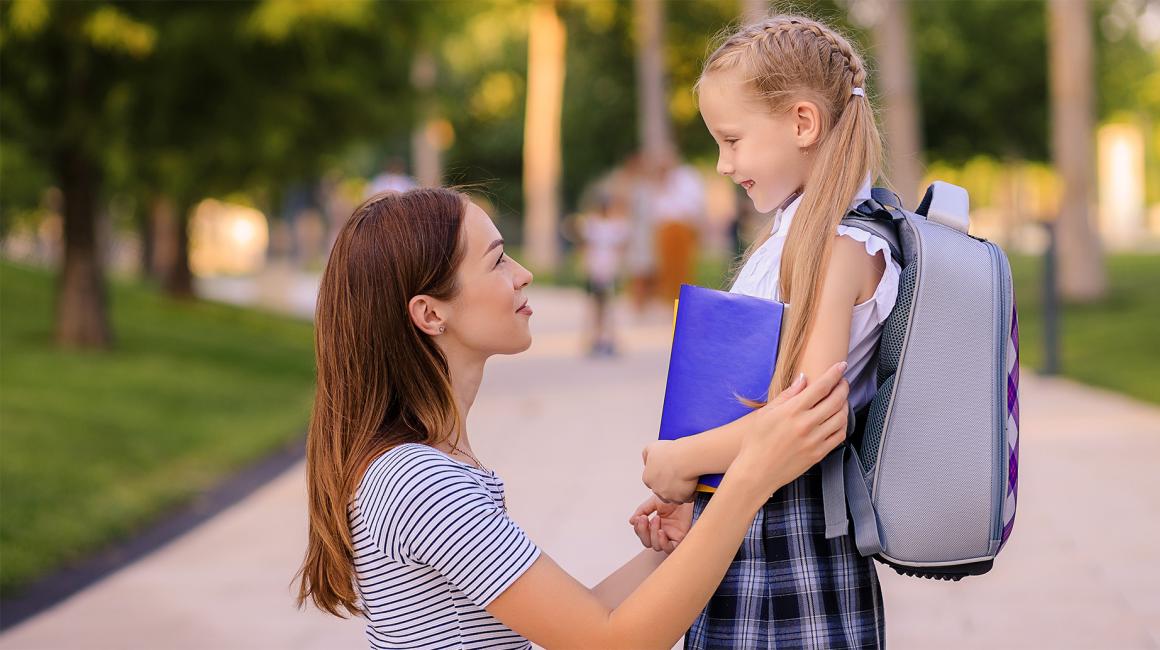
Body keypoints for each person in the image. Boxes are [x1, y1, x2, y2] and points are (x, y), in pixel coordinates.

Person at [295, 188, 852, 649]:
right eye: (496, 260)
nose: (524, 273)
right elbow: (610, 643)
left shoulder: (426, 466)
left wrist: (681, 542)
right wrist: (750, 479)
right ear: (430, 313)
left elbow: (573, 622)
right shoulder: (420, 481)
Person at [637, 14, 901, 649]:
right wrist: (696, 489)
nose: (724, 165)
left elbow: (804, 419)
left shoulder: (840, 244)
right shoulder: (798, 232)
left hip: (790, 543)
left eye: (732, 140)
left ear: (803, 123)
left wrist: (680, 461)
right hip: (752, 525)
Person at [577, 193, 630, 356]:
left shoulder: (617, 225)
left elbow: (621, 248)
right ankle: (595, 338)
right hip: (596, 268)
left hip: (609, 268)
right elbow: (587, 246)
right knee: (596, 306)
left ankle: (610, 339)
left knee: (610, 306)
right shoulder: (593, 224)